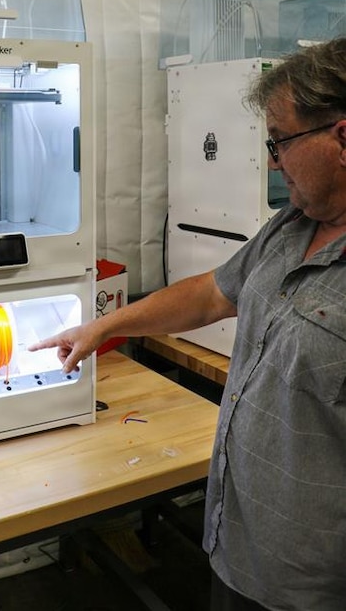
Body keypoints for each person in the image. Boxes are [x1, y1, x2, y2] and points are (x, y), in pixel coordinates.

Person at [29, 37, 346, 611]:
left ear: (342, 139)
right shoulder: (291, 227)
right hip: (237, 546)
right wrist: (102, 328)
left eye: (280, 141)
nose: (272, 161)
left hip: (312, 585)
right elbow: (209, 295)